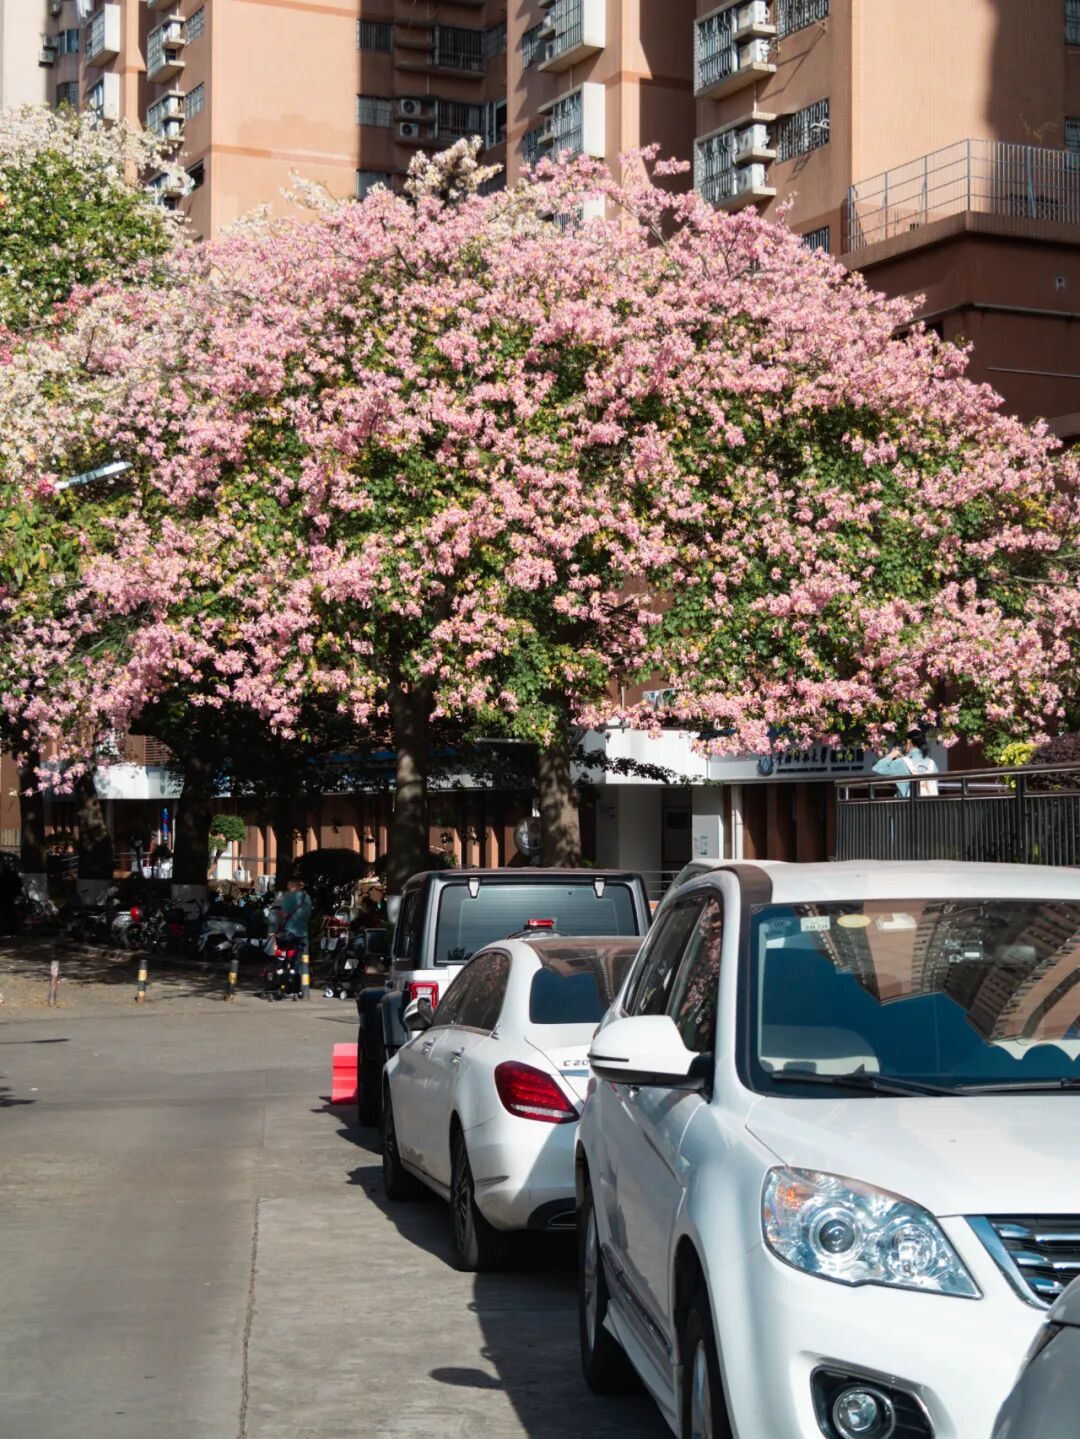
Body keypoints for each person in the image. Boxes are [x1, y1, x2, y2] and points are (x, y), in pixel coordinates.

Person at [872, 730, 940, 797]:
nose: (903, 746)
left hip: (907, 806)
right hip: (929, 805)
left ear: (908, 742)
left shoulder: (903, 762)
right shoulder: (932, 764)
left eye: (904, 743)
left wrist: (891, 755)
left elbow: (877, 768)